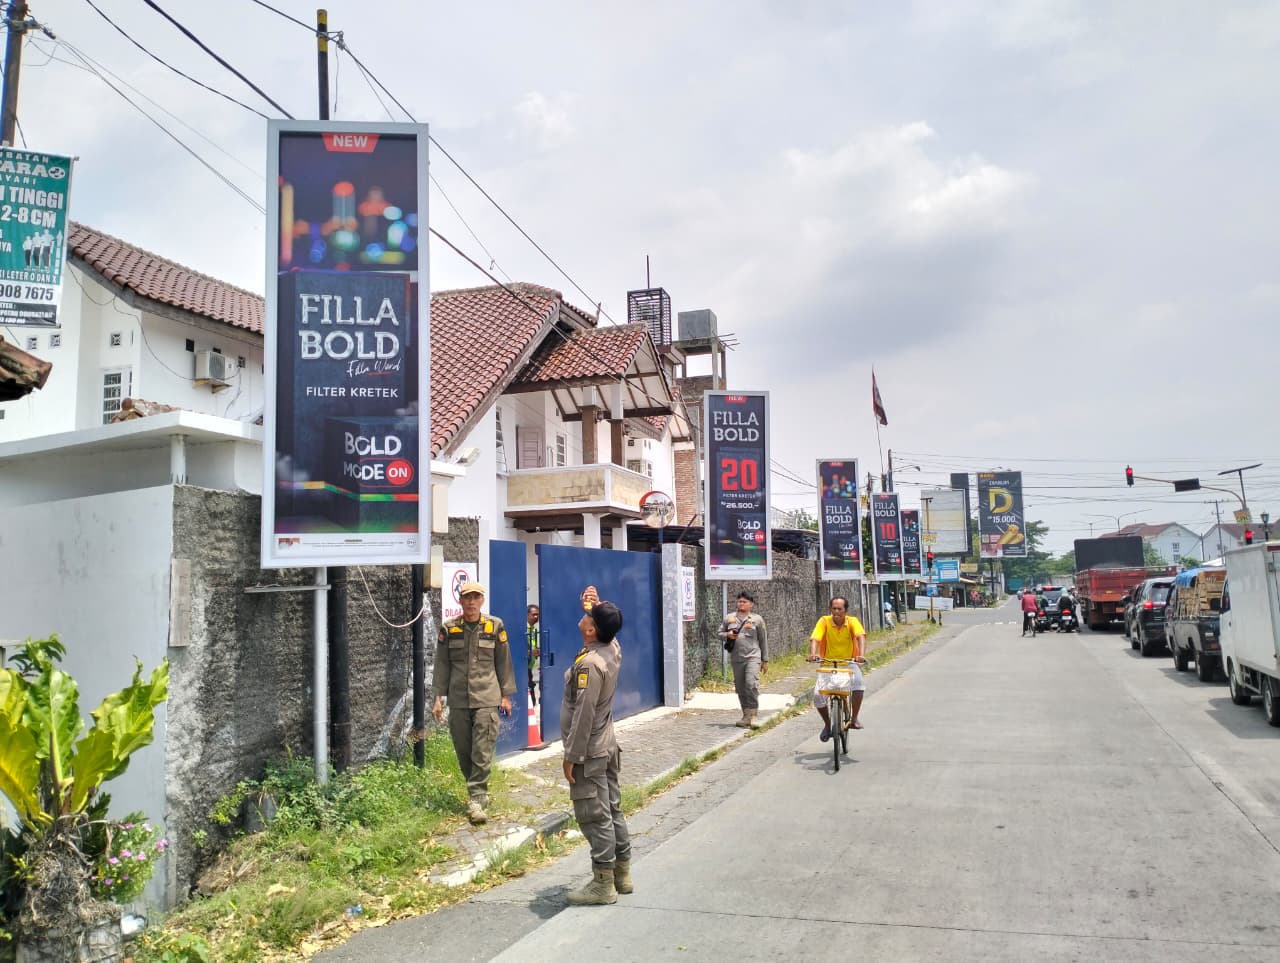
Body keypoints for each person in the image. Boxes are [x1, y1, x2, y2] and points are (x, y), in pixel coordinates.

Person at [561, 585, 632, 906]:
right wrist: (597, 608)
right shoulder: (611, 648)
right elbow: (606, 629)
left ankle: (603, 884)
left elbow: (583, 714)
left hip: (589, 751)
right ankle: (622, 874)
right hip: (607, 745)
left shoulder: (591, 664)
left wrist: (572, 755)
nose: (585, 614)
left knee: (594, 815)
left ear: (591, 630)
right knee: (612, 808)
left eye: (590, 616)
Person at [432, 581, 516, 825]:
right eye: (467, 597)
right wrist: (438, 698)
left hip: (487, 697)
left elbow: (504, 661)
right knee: (463, 750)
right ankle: (476, 791)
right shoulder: (449, 628)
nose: (471, 601)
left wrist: (506, 695)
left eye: (475, 597)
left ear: (482, 600)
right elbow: (442, 664)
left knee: (482, 749)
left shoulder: (494, 626)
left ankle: (477, 798)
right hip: (458, 699)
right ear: (460, 600)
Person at [806, 596, 868, 740]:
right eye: (834, 608)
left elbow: (861, 637)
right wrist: (813, 654)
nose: (836, 612)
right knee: (818, 696)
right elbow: (815, 638)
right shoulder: (824, 621)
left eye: (839, 609)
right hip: (827, 663)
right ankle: (827, 725)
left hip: (849, 662)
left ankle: (854, 719)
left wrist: (861, 655)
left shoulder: (852, 621)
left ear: (846, 610)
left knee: (859, 685)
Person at [719, 590, 768, 729]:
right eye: (739, 601)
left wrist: (765, 660)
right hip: (736, 658)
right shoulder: (729, 618)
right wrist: (727, 635)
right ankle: (746, 716)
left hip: (753, 657)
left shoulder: (757, 619)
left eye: (744, 602)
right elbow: (719, 633)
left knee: (751, 684)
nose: (741, 603)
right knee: (740, 687)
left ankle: (754, 715)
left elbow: (763, 639)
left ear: (751, 604)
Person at [526, 604, 541, 706]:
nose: (536, 617)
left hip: (530, 666)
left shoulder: (533, 630)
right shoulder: (524, 629)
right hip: (524, 666)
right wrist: (531, 652)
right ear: (527, 615)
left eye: (538, 615)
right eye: (534, 614)